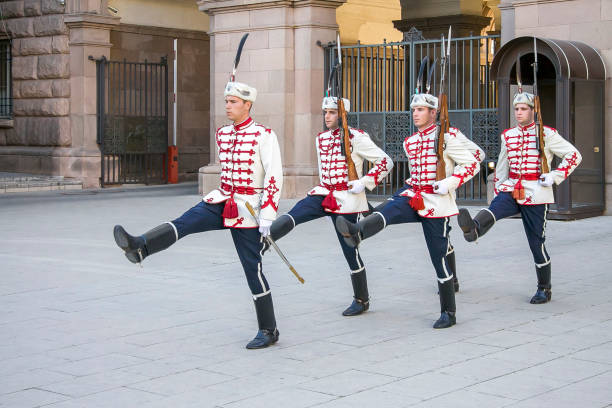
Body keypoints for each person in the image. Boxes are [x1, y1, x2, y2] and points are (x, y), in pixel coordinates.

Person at [113, 80, 284, 349]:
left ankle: (268, 329)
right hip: (222, 199)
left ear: (247, 105)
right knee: (185, 222)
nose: (227, 106)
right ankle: (140, 246)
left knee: (253, 268)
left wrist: (268, 214)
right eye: (226, 101)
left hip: (248, 207)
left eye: (233, 102)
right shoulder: (222, 134)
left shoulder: (264, 135)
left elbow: (274, 175)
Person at [336, 92, 482, 328]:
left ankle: (448, 312)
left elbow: (473, 163)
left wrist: (449, 182)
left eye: (421, 110)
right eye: (414, 110)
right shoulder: (410, 142)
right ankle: (357, 231)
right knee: (388, 210)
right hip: (414, 193)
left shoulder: (446, 137)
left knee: (438, 257)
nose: (415, 113)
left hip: (437, 202)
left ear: (433, 113)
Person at [266, 96, 393, 316]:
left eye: (332, 112)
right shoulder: (321, 138)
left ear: (342, 114)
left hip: (348, 198)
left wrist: (362, 182)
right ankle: (267, 238)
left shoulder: (357, 137)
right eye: (325, 112)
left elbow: (385, 162)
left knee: (349, 249)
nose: (327, 117)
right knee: (297, 212)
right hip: (325, 192)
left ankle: (361, 299)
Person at [457, 91, 582, 304]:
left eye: (523, 109)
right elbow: (503, 165)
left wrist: (554, 176)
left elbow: (574, 155)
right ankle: (474, 229)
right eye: (516, 109)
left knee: (536, 242)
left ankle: (544, 288)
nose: (519, 113)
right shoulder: (509, 136)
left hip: (537, 193)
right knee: (494, 209)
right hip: (512, 188)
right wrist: (498, 190)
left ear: (534, 111)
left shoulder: (547, 134)